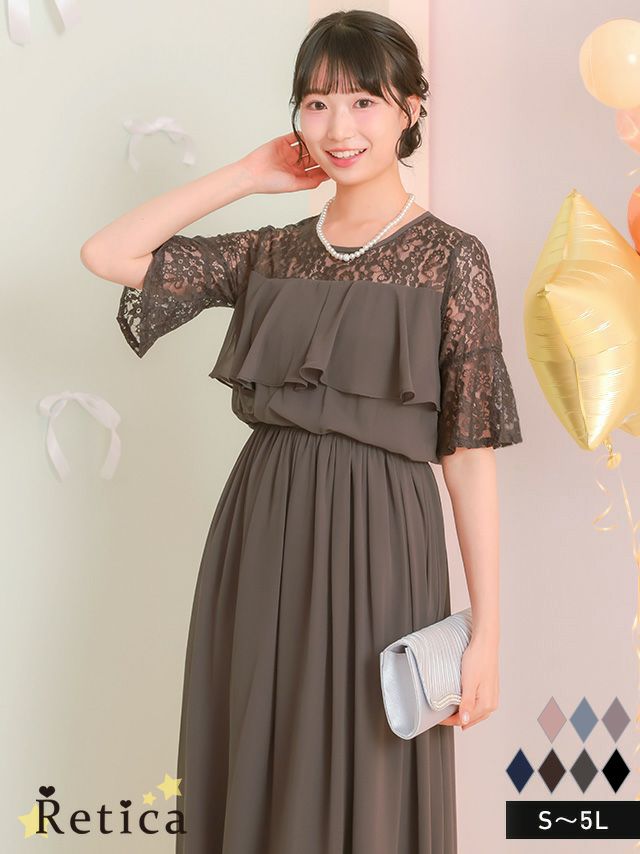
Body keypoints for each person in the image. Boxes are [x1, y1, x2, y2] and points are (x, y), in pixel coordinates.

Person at [80, 9, 522, 854]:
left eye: (363, 101)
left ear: (411, 108)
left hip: (384, 539)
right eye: (317, 104)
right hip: (262, 528)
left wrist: (488, 633)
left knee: (369, 765)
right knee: (261, 746)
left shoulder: (451, 258)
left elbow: (468, 456)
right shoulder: (272, 252)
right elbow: (109, 254)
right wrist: (246, 175)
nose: (339, 128)